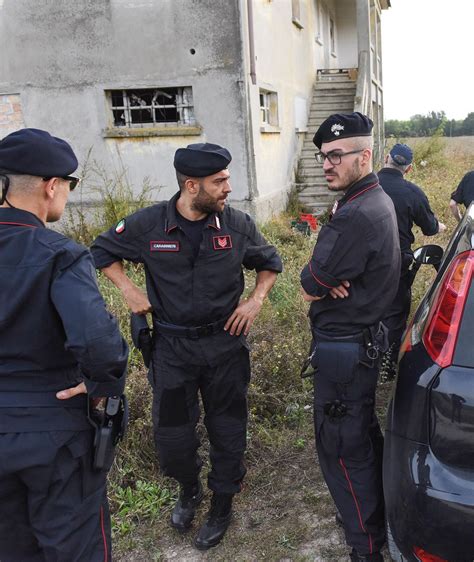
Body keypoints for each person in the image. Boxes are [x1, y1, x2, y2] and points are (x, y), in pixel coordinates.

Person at [91, 142, 282, 550]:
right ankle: (189, 488)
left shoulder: (237, 225)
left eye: (227, 178)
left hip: (225, 347)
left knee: (228, 430)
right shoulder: (149, 226)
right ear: (191, 186)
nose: (228, 187)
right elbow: (102, 250)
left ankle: (222, 503)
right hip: (173, 350)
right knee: (173, 439)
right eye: (220, 181)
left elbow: (270, 262)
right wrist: (128, 289)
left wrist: (255, 300)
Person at [0, 128, 128, 561]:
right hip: (52, 431)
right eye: (68, 188)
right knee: (75, 549)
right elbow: (99, 345)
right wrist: (102, 386)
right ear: (51, 186)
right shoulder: (60, 253)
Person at [300, 112, 400, 562]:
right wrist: (327, 278)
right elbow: (323, 278)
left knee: (342, 449)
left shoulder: (356, 214)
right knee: (361, 437)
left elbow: (307, 282)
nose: (327, 164)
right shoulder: (371, 198)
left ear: (366, 156)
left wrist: (322, 280)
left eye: (337, 155)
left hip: (344, 353)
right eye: (323, 156)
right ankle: (375, 517)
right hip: (359, 344)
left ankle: (366, 545)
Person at [378, 143, 446, 377]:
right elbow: (429, 228)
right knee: (395, 314)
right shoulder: (412, 192)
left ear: (385, 158)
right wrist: (440, 225)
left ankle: (364, 360)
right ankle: (387, 369)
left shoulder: (364, 185)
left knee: (363, 309)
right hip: (398, 263)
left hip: (361, 262)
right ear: (408, 169)